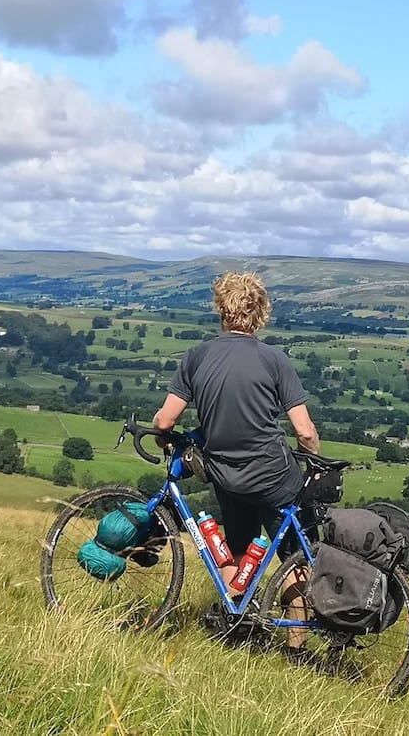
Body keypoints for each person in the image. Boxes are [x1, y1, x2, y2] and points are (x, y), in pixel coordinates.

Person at [151, 271, 318, 652]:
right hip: (276, 477)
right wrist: (313, 464)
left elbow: (165, 421)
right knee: (295, 559)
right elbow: (305, 432)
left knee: (239, 549)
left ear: (221, 310)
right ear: (260, 313)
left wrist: (163, 439)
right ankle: (295, 649)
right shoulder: (275, 360)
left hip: (227, 476)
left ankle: (238, 623)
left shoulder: (196, 357)